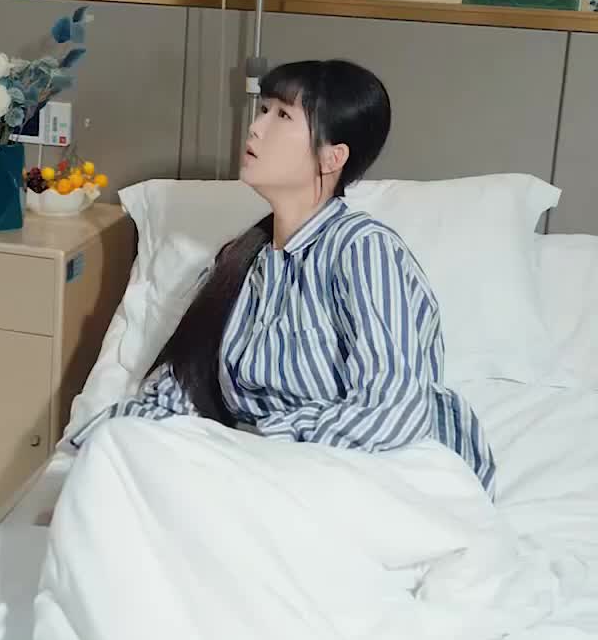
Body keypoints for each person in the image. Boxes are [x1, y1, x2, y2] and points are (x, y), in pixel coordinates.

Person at [71, 59, 494, 493]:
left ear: (332, 157)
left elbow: (394, 410)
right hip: (274, 471)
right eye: (263, 110)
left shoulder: (363, 250)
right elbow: (183, 394)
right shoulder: (243, 264)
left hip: (377, 475)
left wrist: (254, 445)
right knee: (109, 457)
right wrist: (95, 447)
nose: (256, 128)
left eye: (283, 116)